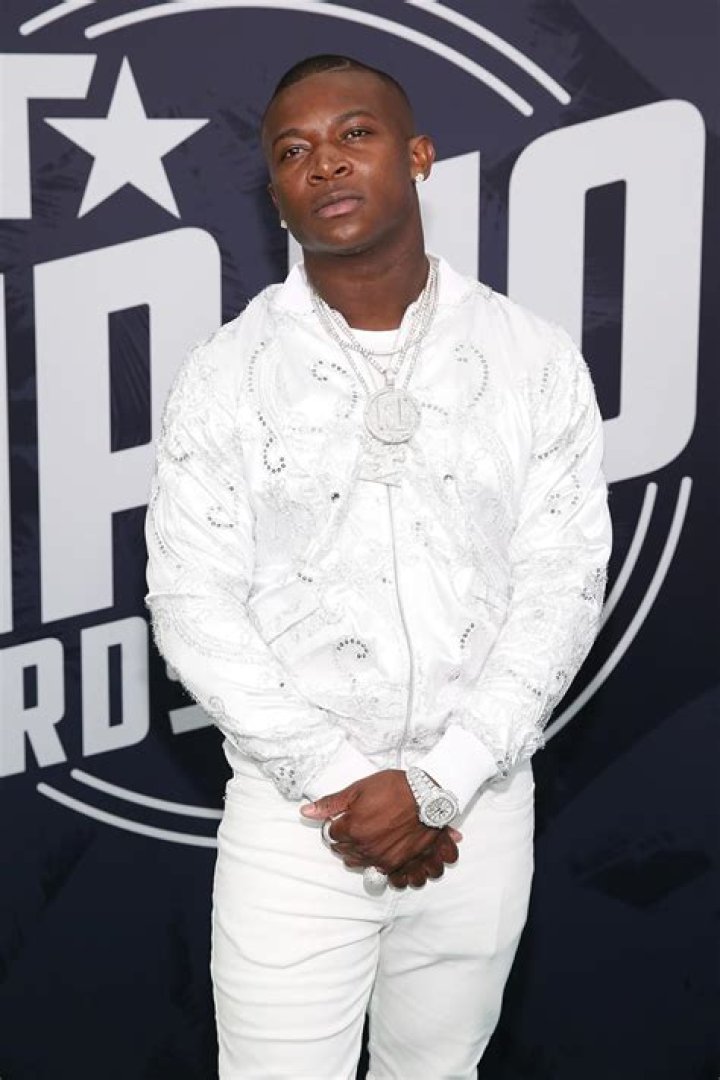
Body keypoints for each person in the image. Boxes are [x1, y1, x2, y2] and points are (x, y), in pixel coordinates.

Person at [145, 54, 612, 1080]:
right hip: (300, 817)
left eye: (354, 134)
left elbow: (566, 581)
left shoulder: (531, 358)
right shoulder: (224, 376)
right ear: (275, 191)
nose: (324, 163)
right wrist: (349, 783)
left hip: (480, 807)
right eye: (293, 151)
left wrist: (441, 783)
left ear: (419, 155)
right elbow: (189, 601)